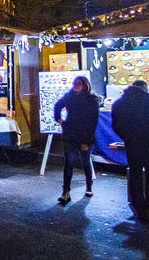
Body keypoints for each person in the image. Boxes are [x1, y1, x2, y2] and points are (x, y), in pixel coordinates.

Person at [111, 80, 149, 222]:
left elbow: (116, 126)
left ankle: (139, 208)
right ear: (145, 89)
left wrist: (128, 137)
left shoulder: (119, 103)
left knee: (135, 175)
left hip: (133, 144)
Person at [53, 75, 100, 203]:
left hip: (85, 134)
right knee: (68, 163)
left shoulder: (92, 99)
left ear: (85, 85)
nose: (75, 86)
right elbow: (57, 105)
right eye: (74, 83)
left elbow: (93, 121)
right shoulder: (69, 96)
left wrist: (86, 140)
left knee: (85, 161)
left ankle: (89, 186)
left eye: (78, 84)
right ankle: (66, 191)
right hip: (70, 134)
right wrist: (59, 120)